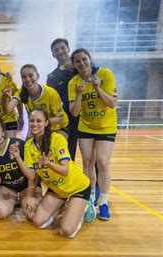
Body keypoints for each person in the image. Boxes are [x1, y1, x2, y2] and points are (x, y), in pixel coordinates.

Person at [12, 109, 94, 238]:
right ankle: (64, 206)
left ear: (46, 123)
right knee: (38, 222)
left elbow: (65, 170)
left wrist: (49, 164)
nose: (34, 124)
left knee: (67, 231)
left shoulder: (57, 139)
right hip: (57, 189)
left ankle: (85, 207)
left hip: (77, 187)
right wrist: (17, 158)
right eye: (32, 121)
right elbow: (32, 176)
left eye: (38, 121)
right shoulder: (28, 145)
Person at [68, 48, 117, 221]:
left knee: (102, 163)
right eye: (77, 61)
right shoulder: (73, 82)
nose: (82, 63)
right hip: (86, 127)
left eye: (84, 59)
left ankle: (103, 202)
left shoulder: (105, 74)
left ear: (89, 59)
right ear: (73, 64)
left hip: (106, 127)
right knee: (87, 162)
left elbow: (112, 103)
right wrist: (79, 94)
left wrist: (98, 89)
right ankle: (90, 198)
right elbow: (74, 113)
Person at [0, 116, 36, 219]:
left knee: (33, 214)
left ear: (3, 132)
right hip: (7, 187)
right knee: (0, 213)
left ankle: (22, 198)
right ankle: (13, 200)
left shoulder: (18, 144)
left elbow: (32, 175)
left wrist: (30, 195)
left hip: (25, 185)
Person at [4, 64, 69, 138]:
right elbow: (7, 109)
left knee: (51, 144)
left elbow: (60, 118)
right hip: (39, 127)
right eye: (24, 77)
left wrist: (42, 123)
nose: (28, 79)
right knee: (27, 146)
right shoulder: (22, 92)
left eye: (31, 75)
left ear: (37, 76)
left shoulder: (51, 93)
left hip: (58, 127)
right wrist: (5, 97)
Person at [47, 38, 79, 160]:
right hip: (66, 119)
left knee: (92, 155)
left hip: (85, 116)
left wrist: (76, 68)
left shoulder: (82, 66)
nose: (60, 51)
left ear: (68, 49)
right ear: (53, 54)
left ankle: (94, 180)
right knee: (68, 152)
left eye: (62, 48)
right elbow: (50, 99)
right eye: (56, 50)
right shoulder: (52, 77)